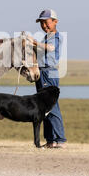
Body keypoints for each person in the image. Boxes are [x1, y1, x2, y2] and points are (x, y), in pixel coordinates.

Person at [32, 9, 67, 148]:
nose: (44, 25)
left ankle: (60, 139)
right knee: (43, 107)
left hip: (49, 72)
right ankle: (51, 140)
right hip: (42, 72)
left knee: (52, 106)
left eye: (46, 22)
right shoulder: (46, 37)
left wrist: (34, 43)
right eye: (41, 23)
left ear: (55, 21)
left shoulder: (55, 36)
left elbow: (51, 48)